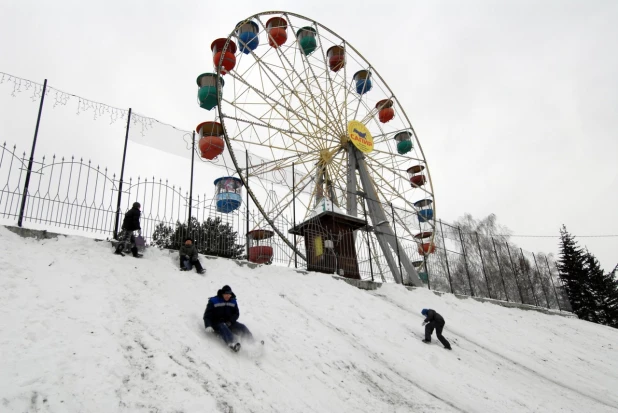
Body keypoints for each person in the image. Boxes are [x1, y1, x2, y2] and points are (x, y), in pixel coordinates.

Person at [203, 285, 253, 352]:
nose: (227, 296)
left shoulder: (233, 301)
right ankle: (232, 344)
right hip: (216, 323)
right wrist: (208, 325)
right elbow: (207, 315)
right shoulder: (213, 301)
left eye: (229, 294)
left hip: (228, 322)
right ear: (222, 294)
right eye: (226, 294)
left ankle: (252, 342)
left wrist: (230, 321)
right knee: (222, 325)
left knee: (242, 327)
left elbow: (236, 314)